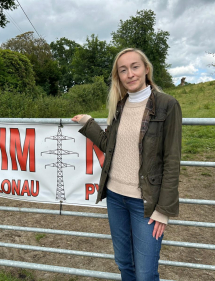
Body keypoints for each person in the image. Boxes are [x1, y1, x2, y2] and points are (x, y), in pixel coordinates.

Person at [71, 48, 182, 281]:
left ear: (146, 69)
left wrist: (163, 210)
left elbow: (172, 159)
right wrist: (88, 123)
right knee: (124, 264)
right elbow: (109, 145)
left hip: (145, 203)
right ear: (118, 76)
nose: (130, 74)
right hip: (115, 197)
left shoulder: (167, 105)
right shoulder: (119, 106)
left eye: (135, 67)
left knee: (145, 273)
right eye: (123, 70)